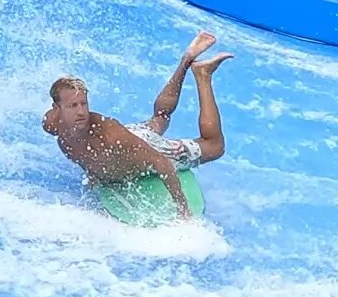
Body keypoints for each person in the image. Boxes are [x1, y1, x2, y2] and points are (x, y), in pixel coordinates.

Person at [43, 31, 232, 220]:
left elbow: (163, 164)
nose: (81, 112)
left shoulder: (110, 136)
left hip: (148, 146)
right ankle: (187, 59)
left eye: (84, 103)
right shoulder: (51, 124)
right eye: (73, 106)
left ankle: (203, 75)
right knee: (160, 118)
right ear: (57, 108)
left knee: (215, 146)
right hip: (132, 135)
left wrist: (182, 209)